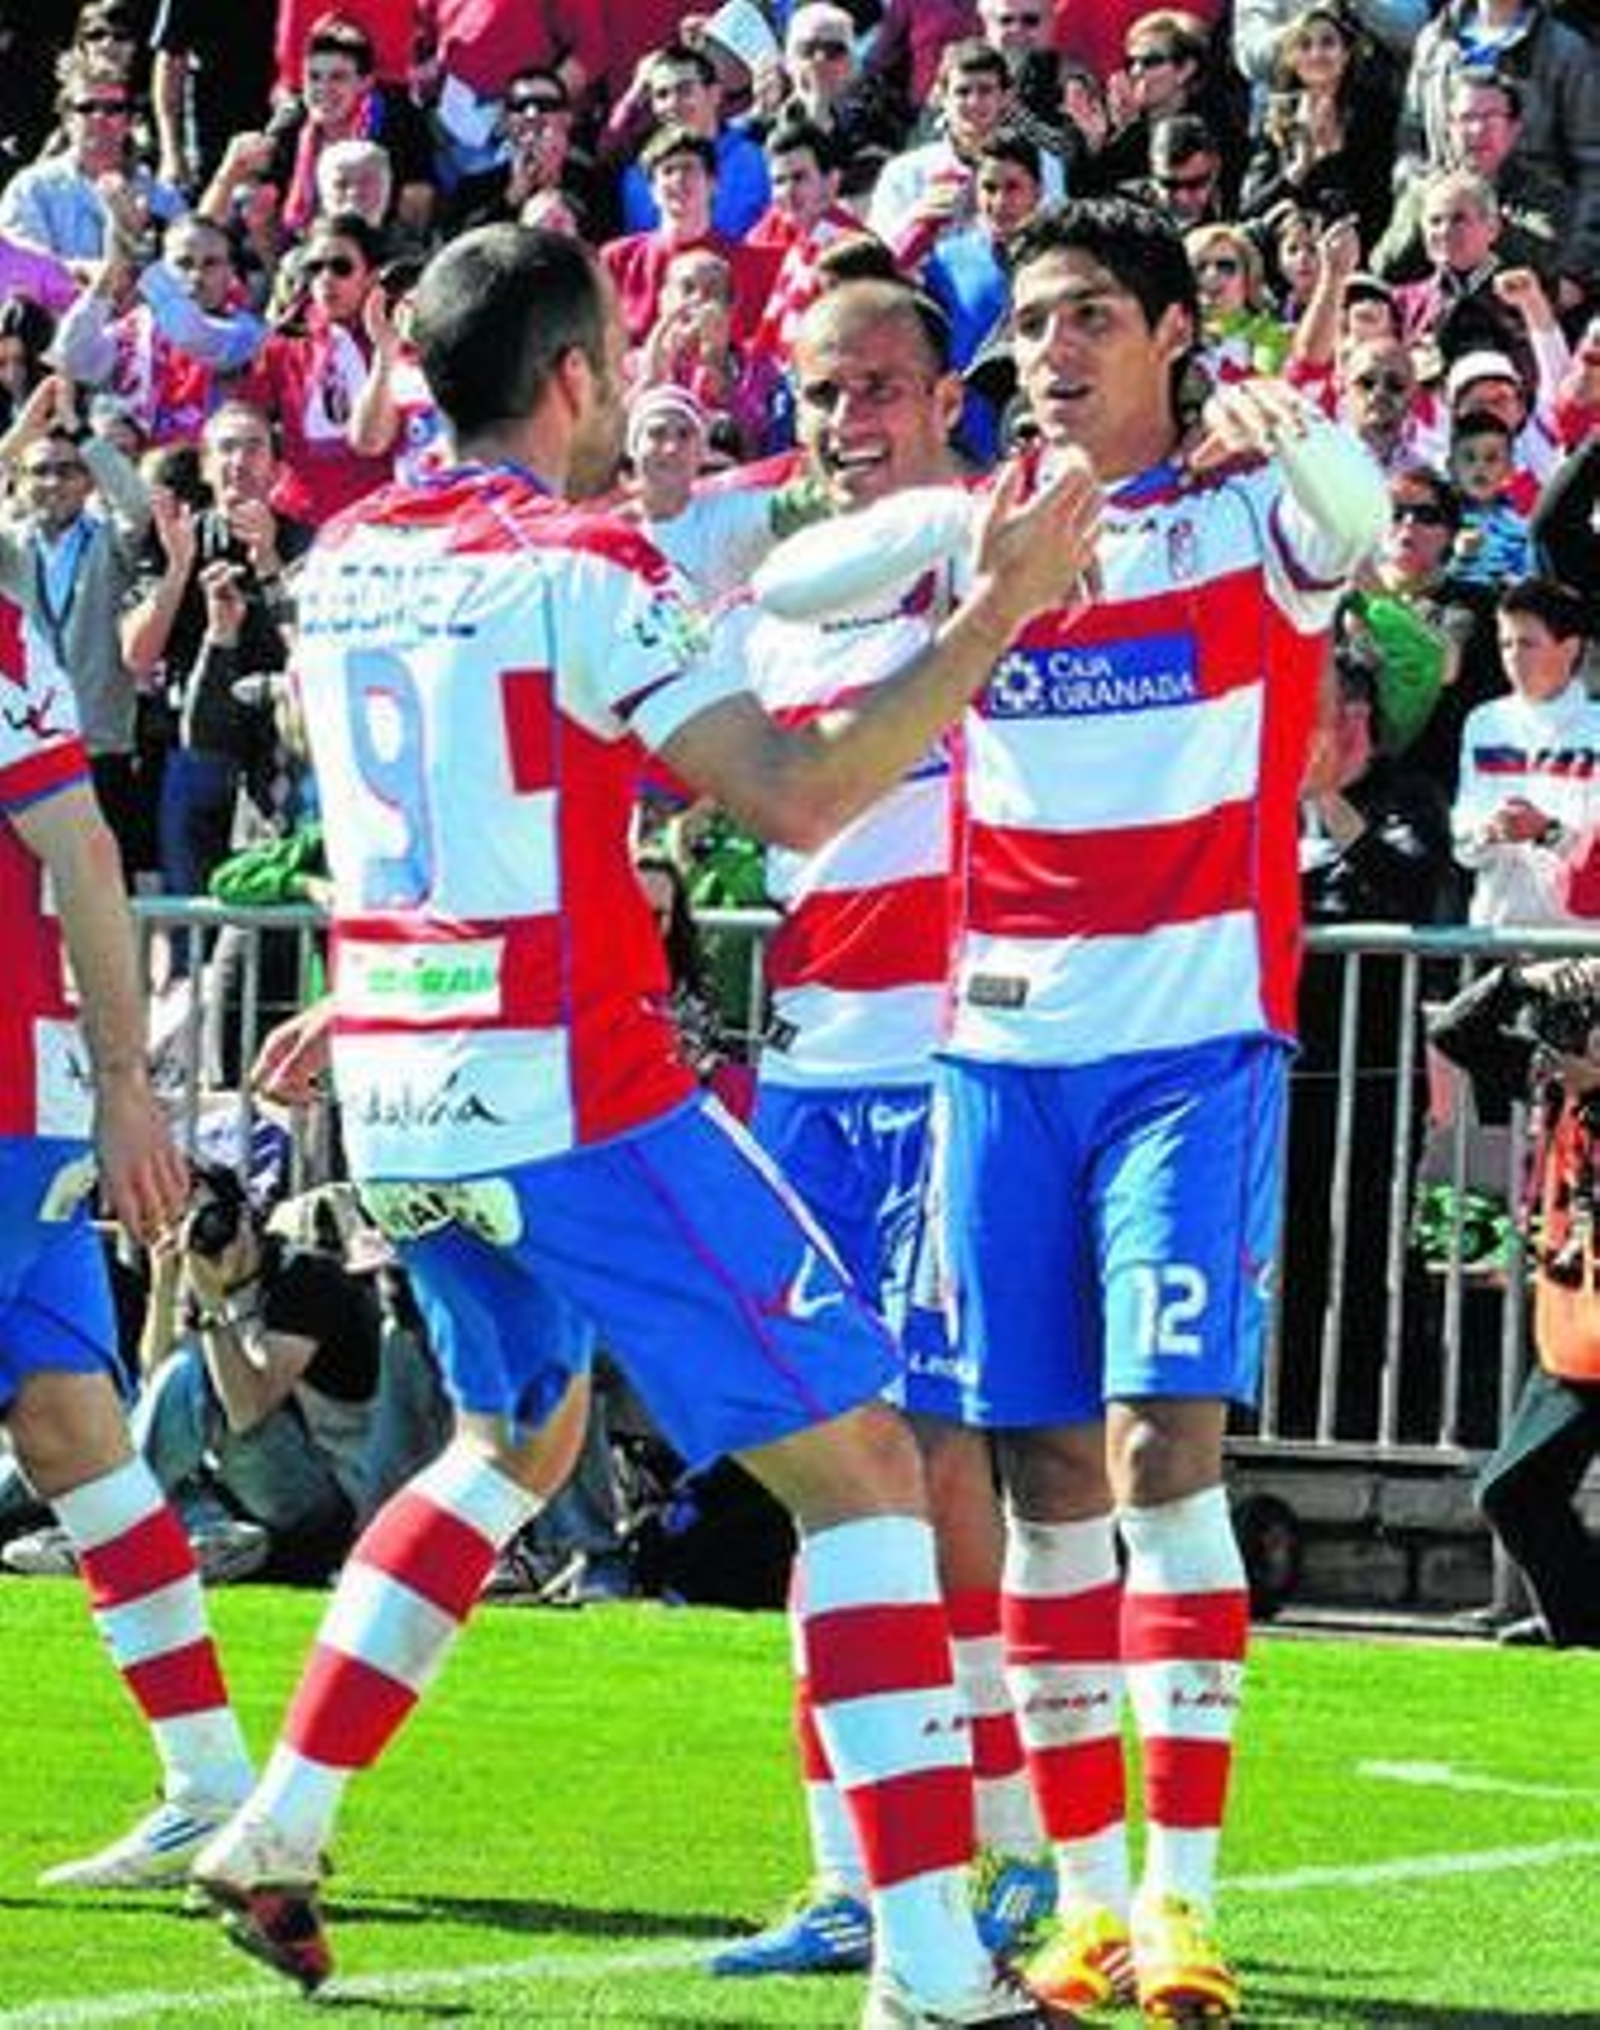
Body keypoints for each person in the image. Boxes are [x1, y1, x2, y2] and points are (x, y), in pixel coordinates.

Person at [190, 222, 1101, 2030]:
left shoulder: (350, 558)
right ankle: (927, 1965)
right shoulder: (581, 565)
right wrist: (995, 610)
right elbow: (802, 798)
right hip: (571, 1090)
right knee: (860, 1480)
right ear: (576, 378)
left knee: (506, 1447)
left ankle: (280, 1823)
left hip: (403, 1089)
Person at [899, 196, 1383, 2023]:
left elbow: (1347, 522)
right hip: (996, 1060)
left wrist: (1299, 415)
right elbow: (795, 577)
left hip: (1190, 1054)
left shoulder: (1249, 513)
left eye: (1094, 313)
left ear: (1174, 335)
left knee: (1160, 1456)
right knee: (1036, 1488)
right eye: (1032, 319)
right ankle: (1087, 1904)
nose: (1054, 347)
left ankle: (1185, 1901)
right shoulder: (986, 538)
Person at [708, 281, 1049, 1983]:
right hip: (811, 1073)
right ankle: (848, 1865)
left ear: (944, 400)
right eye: (826, 394)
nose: (854, 419)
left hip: (945, 1060)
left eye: (886, 388)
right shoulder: (777, 614)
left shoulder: (983, 560)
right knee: (818, 1468)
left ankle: (999, 1841)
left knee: (933, 1456)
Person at [0, 579, 257, 1889]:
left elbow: (88, 849)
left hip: (7, 1090)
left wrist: (123, 1083)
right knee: (69, 1432)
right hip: (28, 1097)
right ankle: (211, 1778)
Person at [1452, 576, 1600, 928]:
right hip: (1496, 935)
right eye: (1505, 644)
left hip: (1583, 944)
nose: (1514, 658)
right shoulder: (1483, 722)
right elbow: (1462, 845)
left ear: (1570, 647)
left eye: (1528, 644)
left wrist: (1546, 832)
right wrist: (1487, 832)